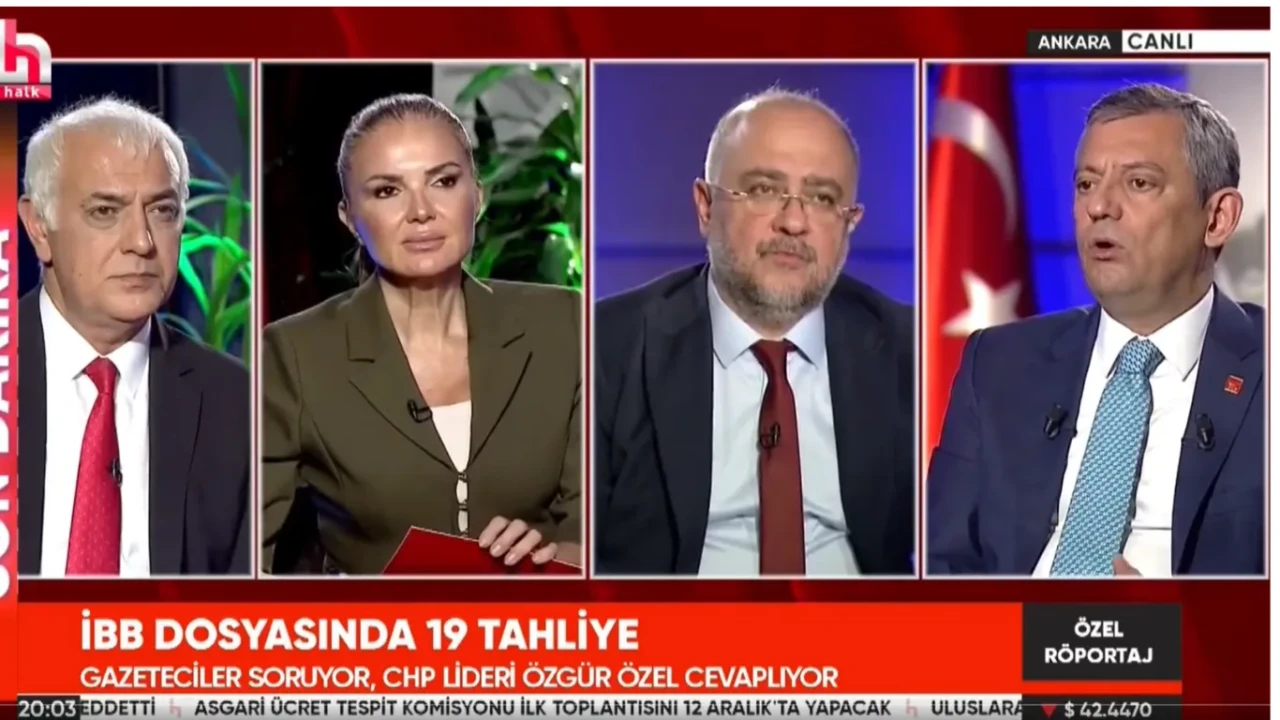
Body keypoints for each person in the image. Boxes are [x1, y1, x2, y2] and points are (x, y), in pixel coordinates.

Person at [927, 84, 1263, 577]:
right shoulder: (998, 363)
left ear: (1217, 218)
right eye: (1086, 184)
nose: (1099, 207)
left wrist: (1178, 618)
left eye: (1139, 183)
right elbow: (942, 562)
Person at [594, 88, 916, 577]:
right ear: (705, 206)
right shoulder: (608, 348)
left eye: (823, 198)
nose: (794, 222)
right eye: (765, 189)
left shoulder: (909, 350)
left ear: (850, 224)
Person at [260, 93, 582, 575]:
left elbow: (600, 518)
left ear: (477, 196)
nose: (421, 212)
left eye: (444, 181)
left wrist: (563, 556)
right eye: (388, 191)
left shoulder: (564, 324)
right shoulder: (294, 354)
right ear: (350, 218)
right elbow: (242, 556)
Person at [15, 97, 251, 577]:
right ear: (39, 226)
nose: (142, 242)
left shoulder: (237, 402)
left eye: (162, 210)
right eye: (105, 211)